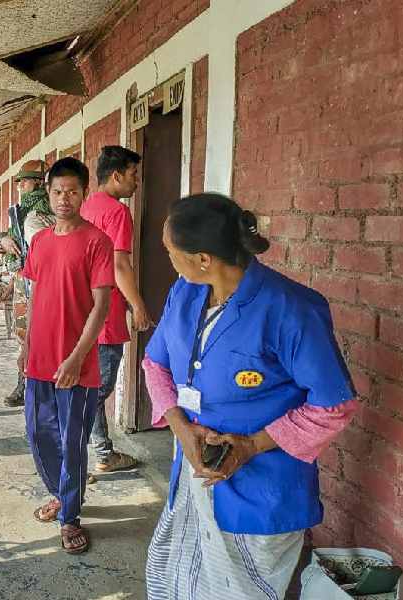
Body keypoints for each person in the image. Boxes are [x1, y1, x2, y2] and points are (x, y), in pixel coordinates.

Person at [144, 193, 358, 600]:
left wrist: (251, 445)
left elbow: (334, 406)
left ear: (203, 258)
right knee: (175, 577)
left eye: (171, 251)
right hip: (195, 477)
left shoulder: (291, 309)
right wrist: (180, 428)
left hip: (262, 492)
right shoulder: (185, 293)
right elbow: (155, 364)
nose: (168, 258)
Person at [19, 157, 114, 555]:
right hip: (39, 359)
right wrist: (25, 345)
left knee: (72, 441)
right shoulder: (40, 241)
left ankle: (71, 516)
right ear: (48, 193)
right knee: (39, 434)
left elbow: (101, 306)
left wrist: (77, 358)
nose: (64, 199)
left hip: (77, 363)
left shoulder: (97, 241)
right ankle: (61, 493)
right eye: (57, 191)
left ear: (84, 193)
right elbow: (35, 296)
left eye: (72, 191)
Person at [80, 146, 149, 473]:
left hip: (83, 310)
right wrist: (137, 304)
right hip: (105, 314)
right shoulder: (117, 212)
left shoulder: (86, 206)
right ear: (117, 175)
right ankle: (77, 457)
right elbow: (120, 264)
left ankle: (103, 454)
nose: (137, 181)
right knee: (96, 392)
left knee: (89, 388)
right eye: (133, 174)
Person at [0, 159, 54, 406]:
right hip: (25, 277)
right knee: (24, 334)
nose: (20, 185)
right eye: (19, 181)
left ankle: (36, 388)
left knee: (37, 335)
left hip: (40, 281)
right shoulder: (24, 211)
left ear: (39, 183)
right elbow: (9, 235)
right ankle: (25, 384)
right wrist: (3, 240)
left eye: (25, 181)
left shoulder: (43, 212)